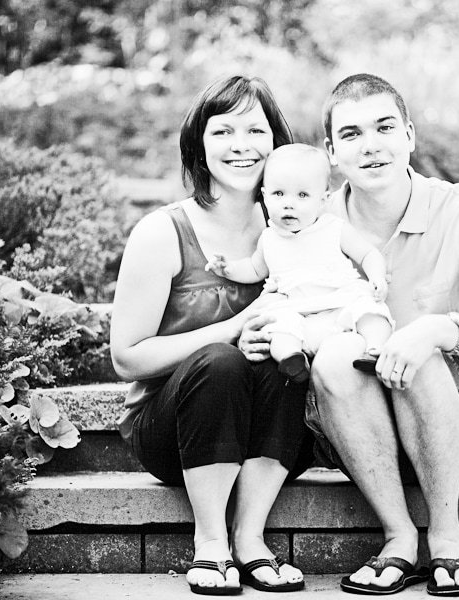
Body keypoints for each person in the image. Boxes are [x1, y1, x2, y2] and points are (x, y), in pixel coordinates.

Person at [238, 73, 459, 596]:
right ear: (331, 152)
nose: (370, 145)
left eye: (384, 127)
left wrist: (438, 331)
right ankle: (398, 538)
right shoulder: (305, 218)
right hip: (356, 428)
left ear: (410, 135)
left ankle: (446, 538)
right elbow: (273, 294)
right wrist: (254, 336)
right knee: (334, 356)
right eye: (350, 134)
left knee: (415, 346)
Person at [110, 75, 311, 596]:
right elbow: (128, 358)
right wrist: (231, 329)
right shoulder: (162, 232)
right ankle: (211, 543)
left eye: (255, 130)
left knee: (284, 358)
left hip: (274, 429)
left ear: (278, 143)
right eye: (223, 132)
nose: (241, 146)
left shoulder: (302, 227)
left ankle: (250, 540)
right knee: (223, 359)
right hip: (174, 432)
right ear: (199, 144)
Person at [205, 143, 394, 383]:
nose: (288, 203)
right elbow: (254, 268)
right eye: (278, 194)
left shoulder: (333, 228)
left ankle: (375, 350)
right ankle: (292, 359)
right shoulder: (269, 238)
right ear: (264, 196)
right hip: (297, 311)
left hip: (341, 301)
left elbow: (368, 254)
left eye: (302, 195)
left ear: (323, 200)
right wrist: (228, 268)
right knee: (278, 327)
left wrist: (376, 277)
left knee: (371, 312)